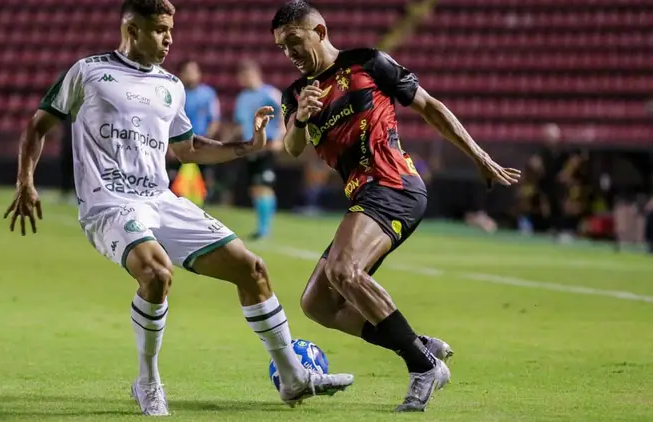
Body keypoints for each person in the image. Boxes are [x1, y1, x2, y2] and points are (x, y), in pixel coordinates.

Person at [3, 0, 353, 416]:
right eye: (159, 30)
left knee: (252, 269)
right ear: (132, 30)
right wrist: (26, 181)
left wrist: (248, 145)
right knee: (156, 273)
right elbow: (37, 125)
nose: (169, 38)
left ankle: (293, 378)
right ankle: (147, 381)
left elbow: (187, 149)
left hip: (160, 199)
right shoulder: (88, 72)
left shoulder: (171, 86)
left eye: (171, 29)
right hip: (109, 202)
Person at [272, 0, 521, 412]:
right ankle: (418, 345)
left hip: (395, 185)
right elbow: (292, 149)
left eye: (295, 41)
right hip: (363, 196)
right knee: (317, 302)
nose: (290, 53)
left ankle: (422, 366)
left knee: (343, 272)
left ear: (319, 31)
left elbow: (431, 108)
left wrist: (481, 157)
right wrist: (300, 118)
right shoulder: (297, 95)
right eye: (282, 47)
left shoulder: (369, 63)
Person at [233, 59, 285, 239]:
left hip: (267, 145)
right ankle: (261, 227)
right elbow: (241, 124)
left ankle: (265, 229)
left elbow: (284, 115)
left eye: (246, 75)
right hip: (251, 146)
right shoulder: (242, 98)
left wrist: (279, 138)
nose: (243, 80)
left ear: (255, 74)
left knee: (264, 186)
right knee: (255, 188)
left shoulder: (270, 94)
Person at [175, 59, 221, 200]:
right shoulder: (176, 93)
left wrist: (204, 141)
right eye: (188, 72)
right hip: (179, 145)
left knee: (202, 186)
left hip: (200, 145)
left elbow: (214, 121)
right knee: (178, 186)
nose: (192, 75)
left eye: (194, 71)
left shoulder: (208, 94)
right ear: (181, 74)